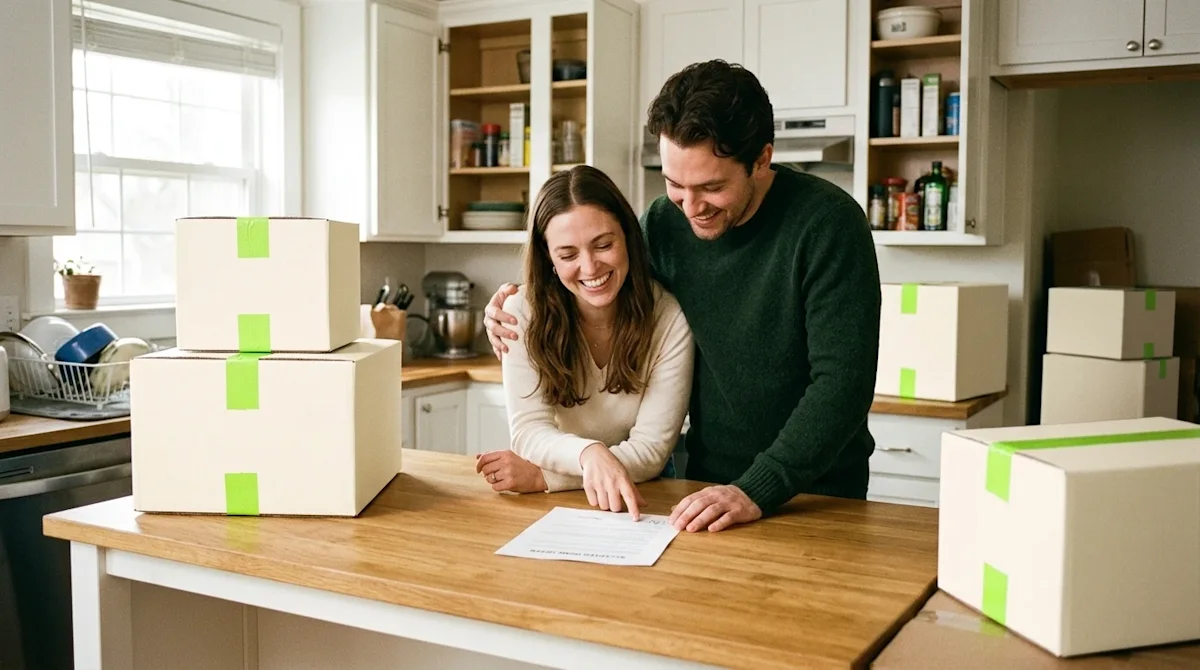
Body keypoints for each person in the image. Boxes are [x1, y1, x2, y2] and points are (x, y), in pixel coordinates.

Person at [483, 60, 882, 533]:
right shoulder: (665, 225)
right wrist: (515, 304)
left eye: (712, 187)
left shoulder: (829, 225)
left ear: (761, 160)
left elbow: (842, 385)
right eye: (675, 185)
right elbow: (598, 281)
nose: (692, 209)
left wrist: (759, 487)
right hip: (705, 490)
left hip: (817, 493)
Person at [474, 165, 694, 521]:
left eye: (604, 244)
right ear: (549, 258)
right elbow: (529, 431)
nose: (590, 267)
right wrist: (589, 455)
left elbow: (651, 452)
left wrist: (544, 477)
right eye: (568, 254)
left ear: (628, 237)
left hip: (645, 489)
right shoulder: (519, 314)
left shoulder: (668, 318)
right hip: (552, 500)